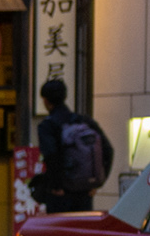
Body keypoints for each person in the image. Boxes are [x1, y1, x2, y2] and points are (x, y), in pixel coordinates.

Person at [35, 79, 114, 213]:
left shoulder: (48, 126)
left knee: (60, 227)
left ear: (45, 101)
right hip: (85, 192)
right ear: (65, 97)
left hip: (60, 195)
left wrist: (56, 186)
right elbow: (108, 150)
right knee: (82, 226)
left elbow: (51, 155)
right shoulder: (84, 121)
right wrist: (97, 183)